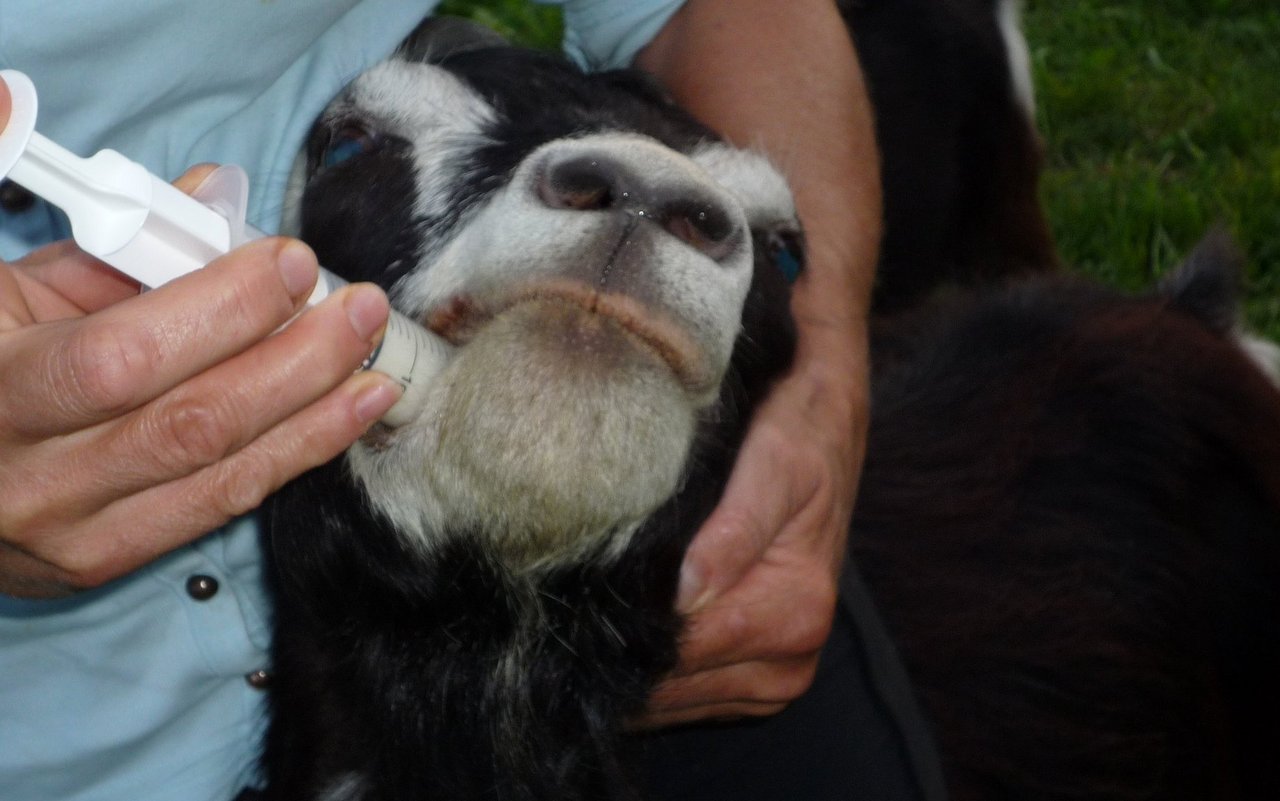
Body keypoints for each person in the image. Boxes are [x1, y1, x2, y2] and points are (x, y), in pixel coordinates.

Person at [0, 1, 879, 798]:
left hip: (672, 640)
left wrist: (826, 355)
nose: (637, 199)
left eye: (755, 239)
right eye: (361, 150)